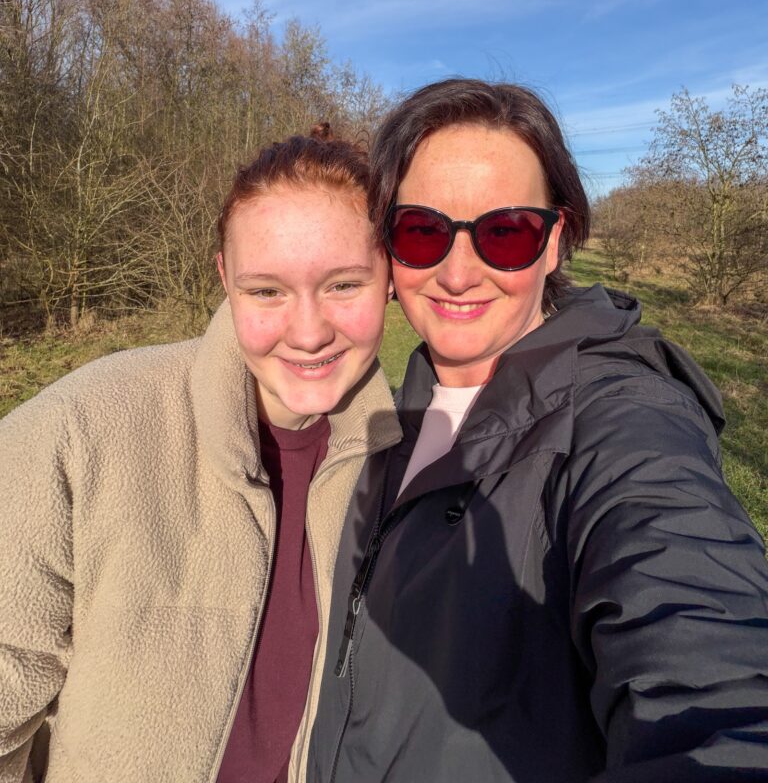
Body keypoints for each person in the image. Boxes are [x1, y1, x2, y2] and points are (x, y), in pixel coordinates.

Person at [308, 80, 768, 782]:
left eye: (505, 233)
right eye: (423, 231)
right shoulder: (383, 412)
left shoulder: (622, 418)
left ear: (555, 242)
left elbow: (708, 673)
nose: (458, 273)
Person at [0, 128, 402, 783]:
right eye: (266, 291)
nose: (307, 332)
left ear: (388, 277)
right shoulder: (82, 432)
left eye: (343, 285)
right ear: (224, 276)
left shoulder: (414, 468)